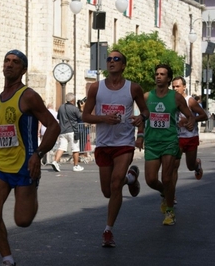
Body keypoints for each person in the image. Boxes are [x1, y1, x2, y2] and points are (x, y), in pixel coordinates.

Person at [0, 49, 60, 266]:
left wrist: (39, 154)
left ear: (23, 69)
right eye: (6, 60)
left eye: (15, 62)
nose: (9, 64)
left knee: (22, 221)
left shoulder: (29, 96)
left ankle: (33, 187)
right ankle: (7, 258)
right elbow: (0, 131)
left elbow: (54, 126)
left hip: (26, 165)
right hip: (1, 166)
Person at [81, 50, 149, 247]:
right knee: (107, 191)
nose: (111, 62)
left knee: (116, 182)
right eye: (109, 59)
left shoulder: (133, 88)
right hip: (103, 143)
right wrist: (104, 118)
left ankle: (108, 231)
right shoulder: (96, 88)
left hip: (124, 143)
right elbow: (85, 116)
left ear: (123, 65)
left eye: (116, 59)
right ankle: (132, 178)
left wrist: (141, 120)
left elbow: (145, 110)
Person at [142, 64, 194, 226]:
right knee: (150, 180)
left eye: (162, 74)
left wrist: (189, 122)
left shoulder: (176, 97)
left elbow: (189, 115)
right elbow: (141, 116)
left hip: (170, 142)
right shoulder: (147, 96)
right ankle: (165, 193)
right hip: (151, 142)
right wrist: (139, 133)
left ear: (169, 78)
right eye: (157, 74)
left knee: (166, 177)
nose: (158, 76)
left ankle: (170, 211)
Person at [172, 76, 207, 181]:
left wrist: (191, 120)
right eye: (173, 86)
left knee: (190, 166)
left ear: (184, 87)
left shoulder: (190, 101)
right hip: (176, 138)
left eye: (178, 86)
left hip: (190, 137)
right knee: (173, 167)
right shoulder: (170, 100)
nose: (175, 89)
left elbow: (204, 115)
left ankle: (197, 165)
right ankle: (171, 195)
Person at [50, 92, 84, 172]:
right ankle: (76, 165)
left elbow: (58, 117)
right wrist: (81, 109)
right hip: (72, 131)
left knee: (61, 147)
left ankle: (55, 161)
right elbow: (81, 117)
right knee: (75, 148)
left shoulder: (61, 107)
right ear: (73, 100)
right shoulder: (74, 109)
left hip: (62, 131)